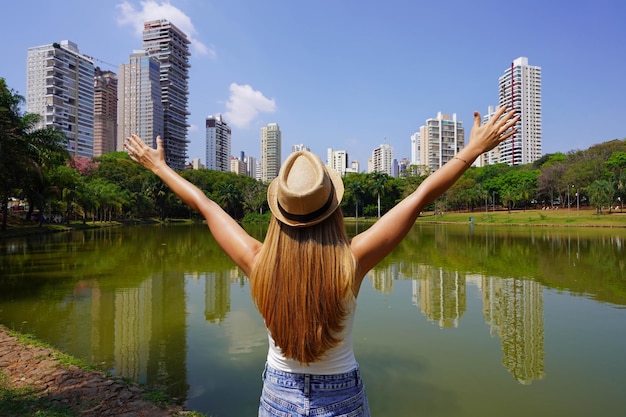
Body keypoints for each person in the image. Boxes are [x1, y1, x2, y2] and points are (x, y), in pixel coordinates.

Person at [125, 105, 519, 416]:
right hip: (342, 397)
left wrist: (158, 166)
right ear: (333, 209)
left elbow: (205, 205)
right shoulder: (352, 260)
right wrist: (471, 150)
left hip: (278, 394)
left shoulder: (257, 260)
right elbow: (418, 198)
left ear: (278, 211)